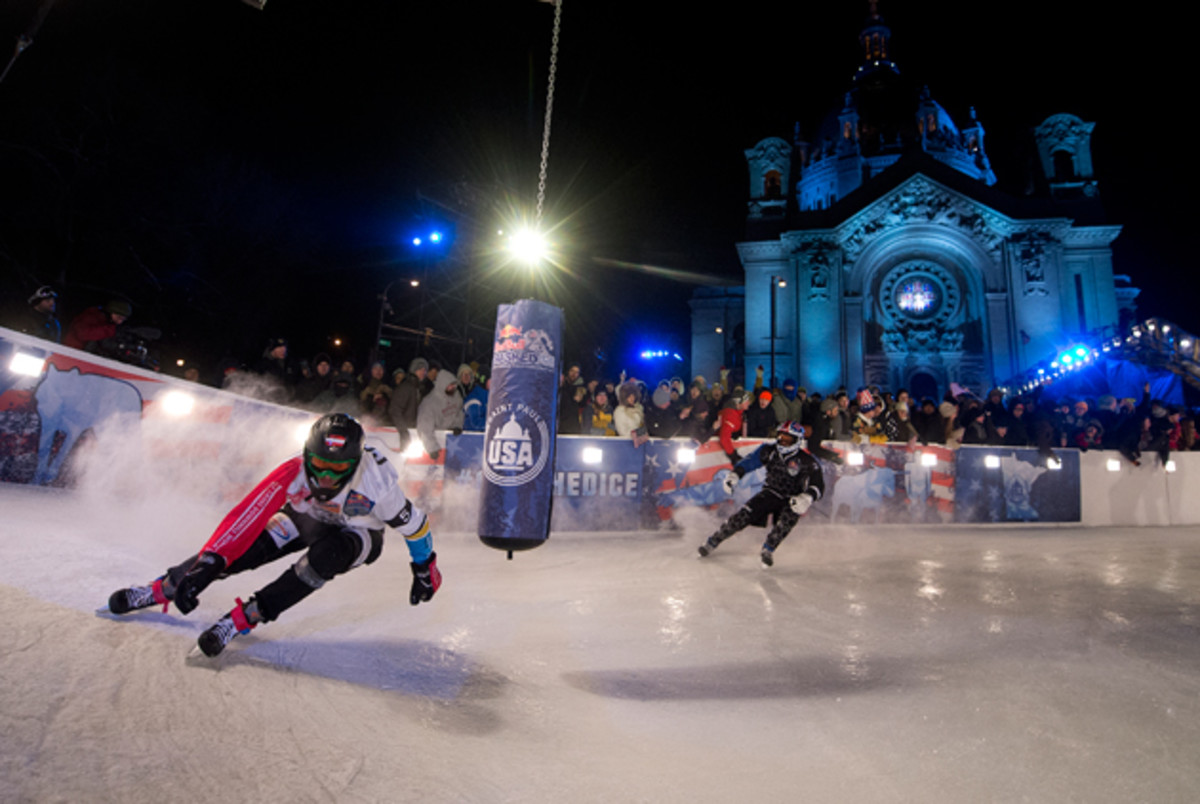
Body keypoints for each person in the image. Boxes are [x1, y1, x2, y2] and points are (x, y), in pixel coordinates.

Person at [105, 413, 441, 657]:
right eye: (318, 465)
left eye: (337, 469)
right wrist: (206, 566)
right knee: (251, 548)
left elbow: (416, 526)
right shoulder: (292, 470)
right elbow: (243, 522)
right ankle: (162, 588)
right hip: (307, 516)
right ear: (306, 456)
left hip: (360, 531)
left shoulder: (378, 484)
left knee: (322, 559)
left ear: (356, 465)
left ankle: (245, 618)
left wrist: (424, 568)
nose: (324, 478)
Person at [697, 420, 825, 567]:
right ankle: (713, 541)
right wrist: (736, 474)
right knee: (742, 516)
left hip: (793, 499)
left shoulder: (807, 461)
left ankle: (768, 549)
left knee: (786, 521)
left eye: (787, 439)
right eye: (781, 437)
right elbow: (750, 462)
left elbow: (818, 484)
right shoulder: (769, 451)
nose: (782, 441)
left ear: (797, 440)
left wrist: (808, 497)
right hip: (770, 493)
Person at [63, 299, 131, 351]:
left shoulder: (108, 324)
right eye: (118, 317)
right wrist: (111, 331)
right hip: (71, 351)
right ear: (110, 312)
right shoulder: (92, 315)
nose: (119, 322)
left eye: (123, 320)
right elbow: (82, 334)